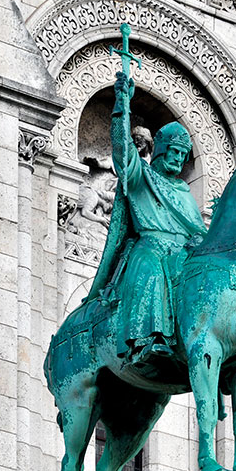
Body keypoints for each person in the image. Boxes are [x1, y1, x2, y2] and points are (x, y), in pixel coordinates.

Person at [85, 72, 206, 364]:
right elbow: (123, 153)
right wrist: (121, 107)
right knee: (149, 266)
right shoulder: (142, 175)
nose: (178, 159)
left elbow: (197, 230)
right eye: (173, 152)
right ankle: (145, 340)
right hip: (150, 245)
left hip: (182, 251)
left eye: (182, 154)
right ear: (161, 151)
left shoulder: (184, 192)